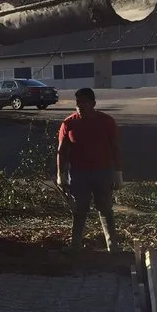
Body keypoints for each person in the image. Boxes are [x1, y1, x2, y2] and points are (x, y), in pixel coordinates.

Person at [56, 87, 123, 252]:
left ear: (93, 103)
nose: (81, 106)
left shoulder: (106, 121)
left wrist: (118, 172)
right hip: (79, 174)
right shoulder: (69, 123)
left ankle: (112, 246)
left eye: (85, 103)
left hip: (103, 172)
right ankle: (75, 245)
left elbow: (115, 147)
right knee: (79, 210)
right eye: (78, 103)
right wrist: (60, 174)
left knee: (105, 209)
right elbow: (62, 151)